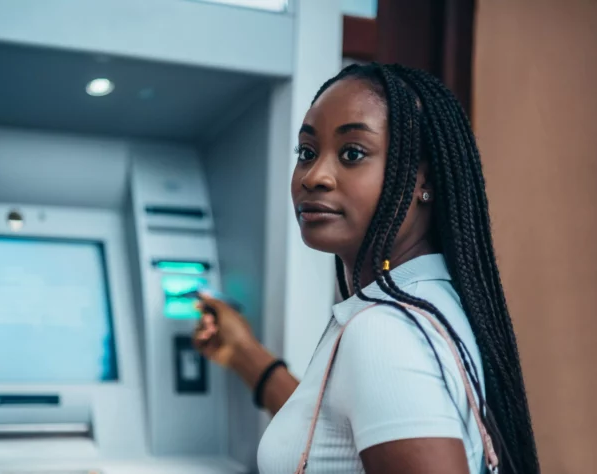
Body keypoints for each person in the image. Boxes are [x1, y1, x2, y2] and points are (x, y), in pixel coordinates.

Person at [193, 63, 539, 474]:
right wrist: (244, 355)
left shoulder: (384, 331)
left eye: (352, 153)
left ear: (421, 180)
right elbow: (333, 441)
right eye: (306, 152)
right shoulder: (434, 302)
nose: (314, 176)